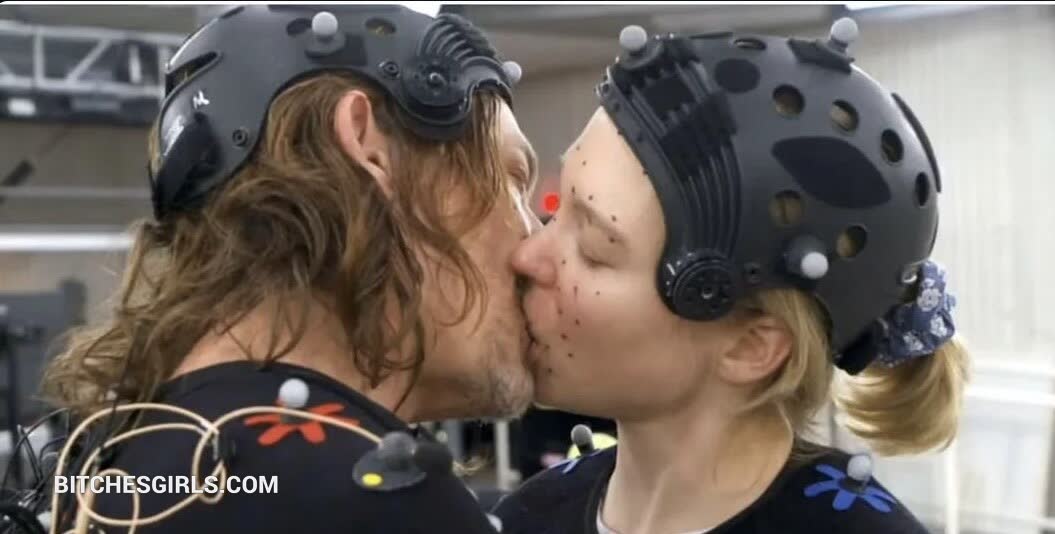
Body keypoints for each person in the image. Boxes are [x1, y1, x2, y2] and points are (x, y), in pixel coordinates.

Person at [32, 5, 539, 533]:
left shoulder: (107, 475)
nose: (535, 245)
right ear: (369, 145)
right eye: (513, 178)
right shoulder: (378, 500)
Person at [496, 19, 968, 534]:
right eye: (554, 214)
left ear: (751, 346)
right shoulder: (525, 517)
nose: (527, 256)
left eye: (592, 249)